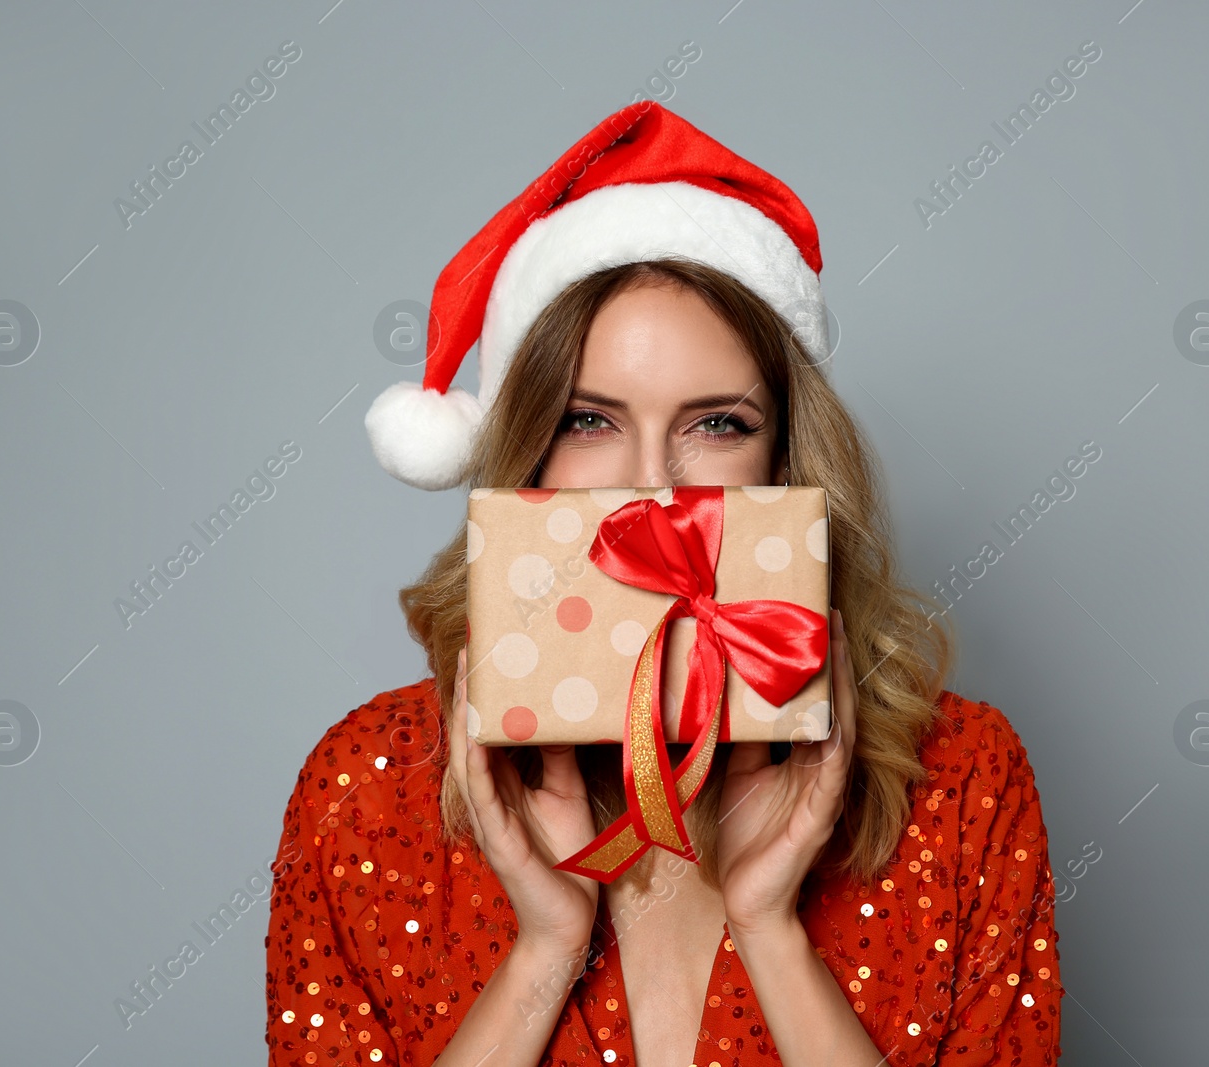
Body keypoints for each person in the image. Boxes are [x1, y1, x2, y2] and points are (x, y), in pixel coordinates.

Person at [266, 101, 1062, 1066]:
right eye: (588, 421)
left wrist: (771, 929)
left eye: (716, 424)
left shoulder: (963, 783)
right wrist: (544, 951)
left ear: (784, 459)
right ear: (525, 455)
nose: (654, 484)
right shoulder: (367, 793)